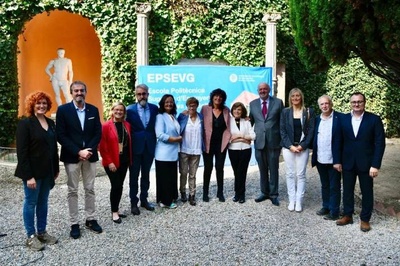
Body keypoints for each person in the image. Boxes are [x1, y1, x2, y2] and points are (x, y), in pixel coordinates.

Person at [56, 80, 102, 239]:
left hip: (90, 156)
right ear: (71, 93)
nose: (79, 93)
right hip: (72, 157)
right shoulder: (63, 110)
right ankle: (74, 223)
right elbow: (61, 135)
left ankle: (90, 219)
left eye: (82, 90)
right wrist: (78, 151)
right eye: (76, 91)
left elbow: (98, 132)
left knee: (90, 188)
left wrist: (88, 150)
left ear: (85, 92)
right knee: (72, 190)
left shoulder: (93, 110)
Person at [334, 92, 385, 232]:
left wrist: (375, 165)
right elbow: (338, 140)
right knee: (347, 190)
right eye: (354, 102)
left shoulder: (374, 119)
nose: (356, 104)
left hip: (367, 163)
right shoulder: (343, 119)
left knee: (367, 192)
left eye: (359, 102)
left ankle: (365, 219)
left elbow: (380, 143)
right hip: (347, 162)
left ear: (364, 103)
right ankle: (347, 215)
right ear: (350, 103)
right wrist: (337, 160)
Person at [15, 91, 59, 251]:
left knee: (43, 202)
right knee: (31, 203)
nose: (41, 106)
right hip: (32, 173)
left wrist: (55, 169)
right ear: (32, 105)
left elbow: (53, 148)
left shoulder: (51, 123)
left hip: (47, 172)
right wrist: (28, 176)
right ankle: (31, 236)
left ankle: (42, 232)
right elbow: (22, 153)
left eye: (44, 103)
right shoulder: (25, 124)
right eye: (38, 103)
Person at [280, 88, 315, 212]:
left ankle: (299, 201)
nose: (295, 98)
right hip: (288, 147)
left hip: (302, 147)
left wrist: (302, 146)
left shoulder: (308, 111)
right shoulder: (285, 112)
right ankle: (292, 200)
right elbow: (282, 131)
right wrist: (290, 146)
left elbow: (311, 131)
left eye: (298, 96)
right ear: (290, 98)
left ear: (301, 97)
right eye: (293, 96)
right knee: (289, 174)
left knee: (300, 174)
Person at [249, 82, 284, 206]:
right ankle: (264, 192)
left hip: (274, 142)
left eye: (265, 89)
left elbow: (282, 122)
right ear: (258, 91)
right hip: (259, 142)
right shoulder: (252, 104)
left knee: (274, 169)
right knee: (262, 169)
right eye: (260, 89)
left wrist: (283, 140)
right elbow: (250, 123)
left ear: (269, 90)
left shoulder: (278, 102)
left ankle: (274, 194)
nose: (262, 91)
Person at [126, 84, 158, 215]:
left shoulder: (155, 108)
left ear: (148, 94)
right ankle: (134, 203)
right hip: (135, 148)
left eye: (144, 94)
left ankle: (144, 200)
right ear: (136, 95)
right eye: (139, 94)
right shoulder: (129, 110)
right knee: (134, 176)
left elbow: (168, 114)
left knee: (146, 175)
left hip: (149, 147)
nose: (141, 96)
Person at [99, 102, 132, 223]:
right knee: (116, 185)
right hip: (111, 161)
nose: (119, 112)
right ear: (112, 111)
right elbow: (102, 146)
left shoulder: (127, 125)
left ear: (124, 112)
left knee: (120, 186)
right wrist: (109, 162)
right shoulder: (106, 126)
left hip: (124, 160)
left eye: (121, 110)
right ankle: (114, 212)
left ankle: (116, 209)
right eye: (116, 110)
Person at [311, 95, 343, 220]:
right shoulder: (316, 119)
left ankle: (334, 212)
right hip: (320, 158)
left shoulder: (340, 118)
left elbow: (343, 140)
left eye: (326, 103)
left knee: (334, 186)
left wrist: (339, 160)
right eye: (322, 104)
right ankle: (326, 206)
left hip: (334, 160)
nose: (324, 106)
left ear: (331, 104)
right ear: (319, 106)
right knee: (324, 184)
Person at [201, 88, 231, 202]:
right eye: (216, 96)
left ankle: (220, 193)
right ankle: (205, 193)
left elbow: (230, 124)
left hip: (221, 144)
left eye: (220, 96)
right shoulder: (205, 109)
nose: (218, 98)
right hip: (208, 144)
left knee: (220, 168)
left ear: (223, 99)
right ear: (212, 97)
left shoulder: (226, 110)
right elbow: (197, 119)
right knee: (208, 168)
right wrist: (186, 113)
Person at [155, 94, 182, 209]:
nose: (169, 104)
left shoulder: (173, 116)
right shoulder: (160, 117)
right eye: (166, 102)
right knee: (165, 179)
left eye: (171, 102)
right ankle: (165, 201)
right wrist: (176, 139)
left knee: (171, 177)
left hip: (172, 153)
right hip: (163, 154)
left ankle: (171, 197)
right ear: (162, 103)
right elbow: (160, 135)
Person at [177, 97, 204, 206]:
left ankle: (192, 195)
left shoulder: (201, 117)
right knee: (183, 173)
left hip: (196, 149)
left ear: (197, 106)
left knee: (193, 174)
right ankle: (182, 191)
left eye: (194, 105)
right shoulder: (182, 117)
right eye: (190, 105)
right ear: (187, 106)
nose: (192, 107)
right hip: (184, 148)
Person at [228, 102, 256, 204]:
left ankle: (241, 194)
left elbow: (253, 136)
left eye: (239, 109)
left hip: (245, 150)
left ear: (242, 111)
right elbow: (228, 138)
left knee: (242, 172)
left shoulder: (247, 121)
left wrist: (239, 137)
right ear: (232, 111)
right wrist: (243, 138)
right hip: (233, 150)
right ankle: (237, 193)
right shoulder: (229, 121)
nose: (237, 111)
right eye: (235, 109)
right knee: (236, 172)